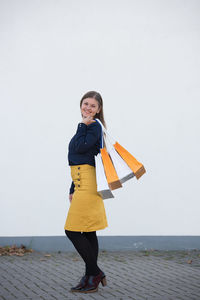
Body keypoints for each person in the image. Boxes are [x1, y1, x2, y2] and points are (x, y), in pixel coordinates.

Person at [64, 91, 108, 293]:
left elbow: (81, 148)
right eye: (85, 104)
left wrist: (83, 125)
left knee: (72, 230)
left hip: (89, 184)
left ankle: (94, 272)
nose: (88, 108)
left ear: (98, 110)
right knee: (88, 230)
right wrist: (73, 187)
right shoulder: (86, 127)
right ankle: (90, 276)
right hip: (81, 182)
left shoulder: (94, 126)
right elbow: (75, 157)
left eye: (92, 106)